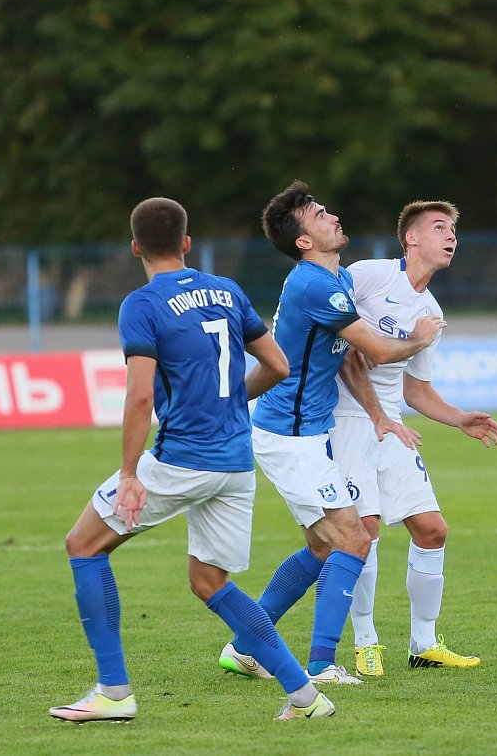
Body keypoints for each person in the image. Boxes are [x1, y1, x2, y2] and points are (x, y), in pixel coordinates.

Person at [49, 197, 336, 724]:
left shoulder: (142, 304)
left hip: (182, 458)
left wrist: (130, 474)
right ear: (186, 243)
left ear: (135, 248)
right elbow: (278, 364)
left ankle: (114, 691)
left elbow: (140, 396)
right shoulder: (226, 290)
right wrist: (230, 403)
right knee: (209, 581)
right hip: (236, 461)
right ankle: (305, 696)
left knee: (83, 545)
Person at [218, 180, 444, 686]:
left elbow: (350, 360)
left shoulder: (335, 276)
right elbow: (379, 351)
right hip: (289, 436)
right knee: (352, 538)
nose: (333, 216)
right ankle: (321, 666)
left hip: (306, 433)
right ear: (303, 240)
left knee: (325, 547)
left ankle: (245, 645)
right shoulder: (315, 286)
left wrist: (378, 416)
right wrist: (418, 338)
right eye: (320, 215)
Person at [330, 200, 497, 676]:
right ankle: (366, 642)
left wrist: (460, 418)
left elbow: (416, 390)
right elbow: (333, 329)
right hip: (345, 419)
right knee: (363, 531)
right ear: (411, 238)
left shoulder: (431, 312)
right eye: (439, 227)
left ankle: (423, 644)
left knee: (432, 529)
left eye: (453, 231)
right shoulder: (369, 276)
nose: (451, 237)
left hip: (392, 424)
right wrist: (408, 341)